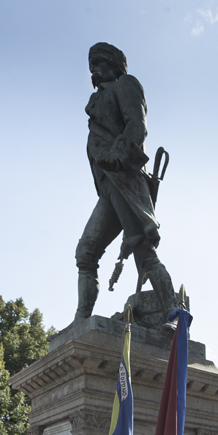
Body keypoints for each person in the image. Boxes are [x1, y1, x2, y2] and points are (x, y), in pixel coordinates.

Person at [74, 43, 175, 323]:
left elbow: (136, 126)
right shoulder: (97, 101)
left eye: (99, 61)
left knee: (143, 251)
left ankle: (174, 315)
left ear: (114, 64)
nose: (93, 68)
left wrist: (116, 157)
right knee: (86, 252)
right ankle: (81, 320)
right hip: (107, 187)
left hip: (123, 179)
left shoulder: (126, 85)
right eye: (90, 63)